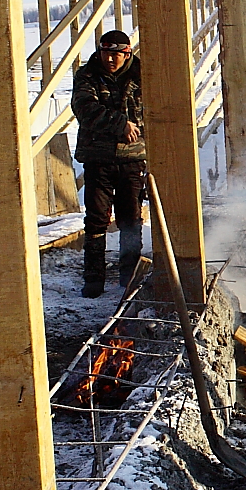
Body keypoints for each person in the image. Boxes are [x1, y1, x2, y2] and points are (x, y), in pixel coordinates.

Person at [71, 29, 145, 298]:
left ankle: (130, 277)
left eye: (116, 55)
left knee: (131, 220)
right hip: (98, 159)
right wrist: (120, 124)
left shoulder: (142, 75)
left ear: (127, 54)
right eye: (106, 53)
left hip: (132, 159)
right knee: (96, 221)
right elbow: (85, 108)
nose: (111, 59)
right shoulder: (87, 75)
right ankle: (93, 279)